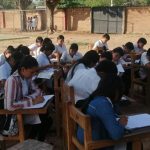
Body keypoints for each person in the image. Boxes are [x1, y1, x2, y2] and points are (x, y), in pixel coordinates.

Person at [76, 65, 128, 150]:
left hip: (85, 139)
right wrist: (121, 123)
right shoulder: (103, 104)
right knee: (134, 142)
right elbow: (116, 135)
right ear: (116, 91)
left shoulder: (96, 97)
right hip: (97, 145)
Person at [3, 56, 52, 141]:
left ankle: (35, 141)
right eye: (32, 72)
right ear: (23, 69)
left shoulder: (27, 77)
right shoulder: (13, 80)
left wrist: (28, 98)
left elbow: (38, 91)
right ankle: (33, 142)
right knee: (44, 120)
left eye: (35, 72)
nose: (34, 74)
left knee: (48, 117)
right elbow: (10, 106)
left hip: (24, 110)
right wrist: (33, 101)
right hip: (15, 116)